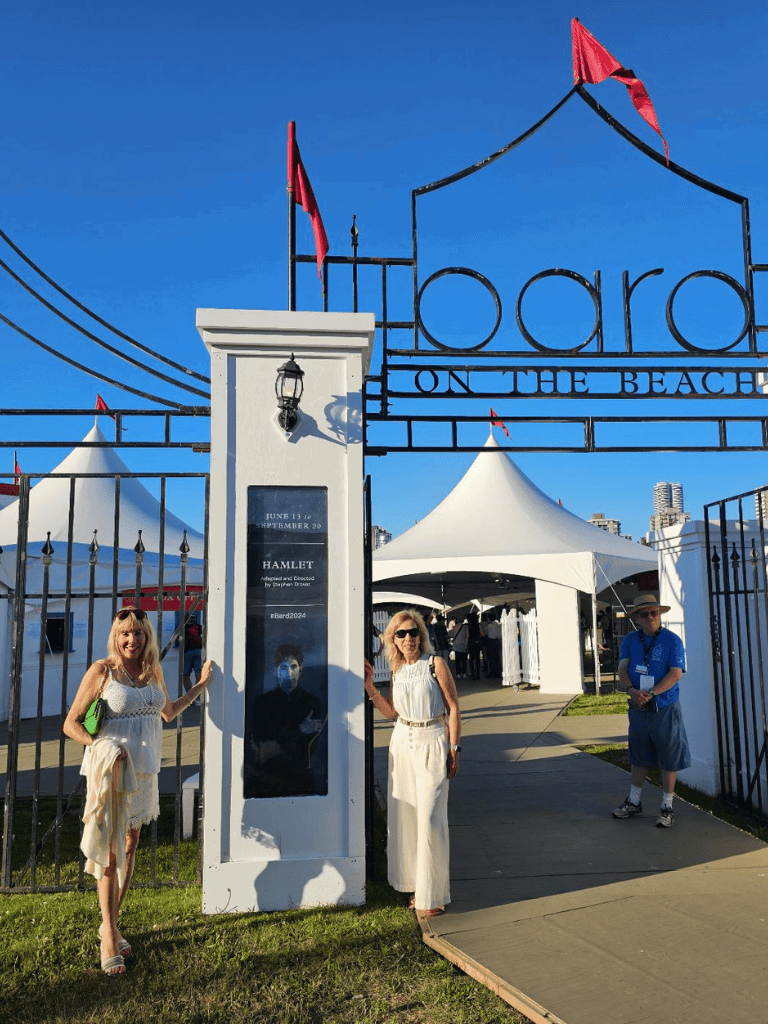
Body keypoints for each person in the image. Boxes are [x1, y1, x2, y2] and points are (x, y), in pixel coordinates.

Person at [63, 607, 213, 975]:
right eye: (125, 634)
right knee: (111, 852)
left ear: (148, 637)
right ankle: (110, 935)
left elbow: (168, 713)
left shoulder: (151, 670)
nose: (132, 640)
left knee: (130, 848)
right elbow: (71, 724)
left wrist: (200, 685)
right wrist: (99, 748)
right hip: (113, 771)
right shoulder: (103, 671)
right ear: (116, 637)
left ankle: (110, 922)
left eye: (139, 634)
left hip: (144, 773)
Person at [364, 609, 461, 919]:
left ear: (422, 635)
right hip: (403, 742)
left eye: (413, 632)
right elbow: (392, 713)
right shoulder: (397, 670)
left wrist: (454, 747)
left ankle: (434, 894)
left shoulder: (435, 664)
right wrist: (369, 688)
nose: (408, 638)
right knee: (408, 817)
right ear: (393, 639)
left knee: (431, 818)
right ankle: (419, 888)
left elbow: (454, 708)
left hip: (433, 739)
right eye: (401, 634)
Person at [612, 594, 689, 828]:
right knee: (639, 754)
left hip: (663, 707)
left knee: (668, 756)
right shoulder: (630, 640)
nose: (649, 618)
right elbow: (622, 668)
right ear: (637, 617)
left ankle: (667, 806)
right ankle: (634, 801)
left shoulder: (672, 641)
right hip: (638, 706)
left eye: (653, 613)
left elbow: (676, 673)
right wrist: (631, 690)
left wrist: (652, 692)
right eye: (644, 614)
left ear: (660, 614)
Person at [248, 644, 324, 797]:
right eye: (283, 668)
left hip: (302, 777)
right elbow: (262, 739)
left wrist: (285, 735)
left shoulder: (312, 702)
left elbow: (313, 744)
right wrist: (300, 730)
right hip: (270, 777)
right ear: (276, 671)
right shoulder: (263, 703)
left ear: (300, 670)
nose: (289, 672)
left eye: (293, 667)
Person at [182, 613, 203, 694]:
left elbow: (178, 640)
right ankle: (198, 695)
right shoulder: (198, 626)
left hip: (188, 652)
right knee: (198, 673)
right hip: (199, 651)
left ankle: (190, 695)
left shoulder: (183, 627)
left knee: (186, 674)